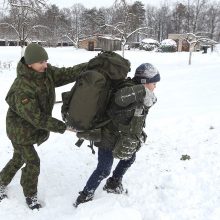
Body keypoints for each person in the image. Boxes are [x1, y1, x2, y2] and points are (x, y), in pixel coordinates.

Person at [0, 43, 87, 210]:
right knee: (33, 162)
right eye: (41, 62)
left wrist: (89, 65)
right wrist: (64, 126)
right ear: (29, 64)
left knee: (18, 159)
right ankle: (30, 196)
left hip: (30, 128)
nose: (45, 65)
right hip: (19, 131)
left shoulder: (46, 73)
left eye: (46, 60)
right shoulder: (21, 88)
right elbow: (37, 118)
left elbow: (66, 73)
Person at [73, 63, 161, 207]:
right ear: (144, 82)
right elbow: (120, 98)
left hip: (124, 137)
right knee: (103, 169)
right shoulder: (127, 90)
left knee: (129, 159)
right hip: (107, 136)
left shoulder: (144, 95)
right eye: (153, 83)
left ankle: (113, 183)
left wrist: (146, 94)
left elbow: (148, 104)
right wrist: (143, 90)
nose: (155, 87)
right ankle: (84, 196)